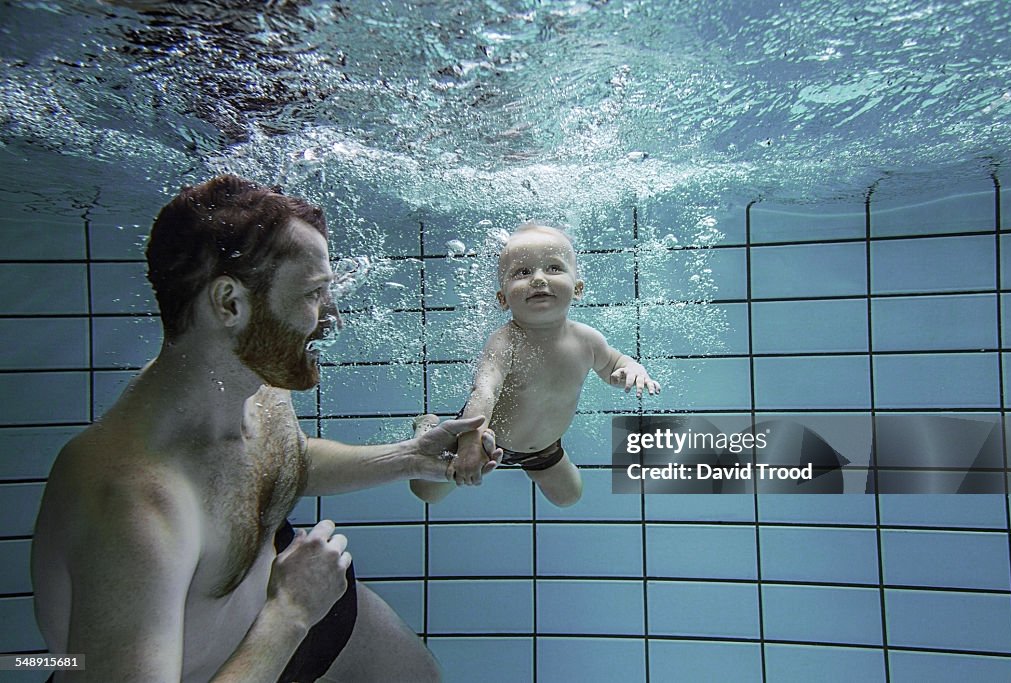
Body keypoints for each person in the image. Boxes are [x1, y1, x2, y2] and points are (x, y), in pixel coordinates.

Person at [30, 174, 501, 683]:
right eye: (314, 293)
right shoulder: (132, 502)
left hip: (280, 613)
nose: (333, 317)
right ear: (230, 304)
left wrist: (411, 457)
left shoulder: (258, 385)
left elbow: (281, 461)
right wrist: (291, 613)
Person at [409, 221, 660, 508]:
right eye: (522, 272)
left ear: (577, 288)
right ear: (503, 298)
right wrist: (468, 444)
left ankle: (529, 463)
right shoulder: (505, 341)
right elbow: (484, 392)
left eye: (554, 268)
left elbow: (613, 366)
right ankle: (427, 430)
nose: (539, 279)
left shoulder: (588, 340)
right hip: (482, 437)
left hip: (543, 447)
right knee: (425, 491)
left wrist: (631, 369)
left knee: (569, 497)